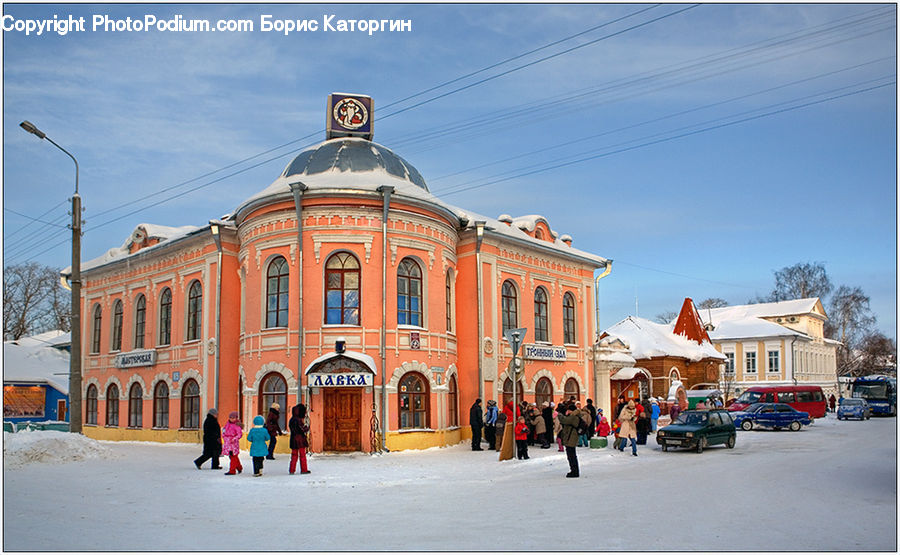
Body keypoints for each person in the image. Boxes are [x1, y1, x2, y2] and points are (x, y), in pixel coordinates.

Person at [559, 402, 581, 477]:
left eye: (568, 410)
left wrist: (559, 414)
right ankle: (574, 470)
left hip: (571, 437)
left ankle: (574, 471)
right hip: (571, 437)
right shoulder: (573, 416)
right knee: (571, 455)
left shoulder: (573, 416)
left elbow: (564, 421)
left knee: (571, 455)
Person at [289, 403, 310, 475]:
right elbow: (302, 429)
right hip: (300, 439)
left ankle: (292, 470)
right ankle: (304, 469)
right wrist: (307, 428)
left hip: (293, 439)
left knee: (294, 455)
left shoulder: (291, 419)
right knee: (302, 455)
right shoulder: (298, 420)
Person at [221, 411, 243, 475]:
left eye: (233, 418)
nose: (232, 419)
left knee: (233, 456)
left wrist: (234, 439)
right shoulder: (227, 424)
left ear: (236, 418)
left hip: (233, 444)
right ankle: (239, 467)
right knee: (232, 456)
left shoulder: (237, 425)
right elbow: (224, 431)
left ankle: (232, 470)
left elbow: (240, 434)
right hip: (227, 443)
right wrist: (224, 437)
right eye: (231, 418)